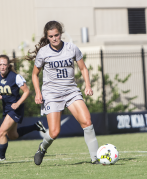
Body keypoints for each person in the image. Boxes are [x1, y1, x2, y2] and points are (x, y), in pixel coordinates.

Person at [26, 21, 99, 165]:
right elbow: (34, 74)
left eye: (57, 35)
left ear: (61, 34)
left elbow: (83, 68)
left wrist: (88, 85)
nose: (54, 38)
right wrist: (38, 93)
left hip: (71, 91)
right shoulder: (43, 52)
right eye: (51, 36)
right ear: (47, 37)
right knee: (54, 132)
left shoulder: (72, 48)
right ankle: (42, 148)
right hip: (51, 94)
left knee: (87, 122)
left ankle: (95, 158)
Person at [0, 55, 46, 161]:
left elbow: (27, 91)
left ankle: (1, 157)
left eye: (4, 64)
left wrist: (18, 103)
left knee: (1, 132)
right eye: (0, 64)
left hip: (16, 108)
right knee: (12, 135)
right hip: (6, 108)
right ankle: (36, 126)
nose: (2, 67)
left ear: (8, 65)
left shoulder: (15, 77)